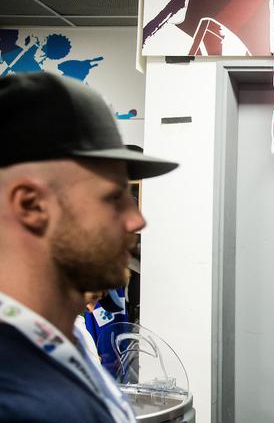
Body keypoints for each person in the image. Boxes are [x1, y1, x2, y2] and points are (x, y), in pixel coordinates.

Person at [0, 72, 178, 422]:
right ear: (31, 205)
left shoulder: (65, 338)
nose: (136, 220)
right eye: (113, 198)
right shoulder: (15, 398)